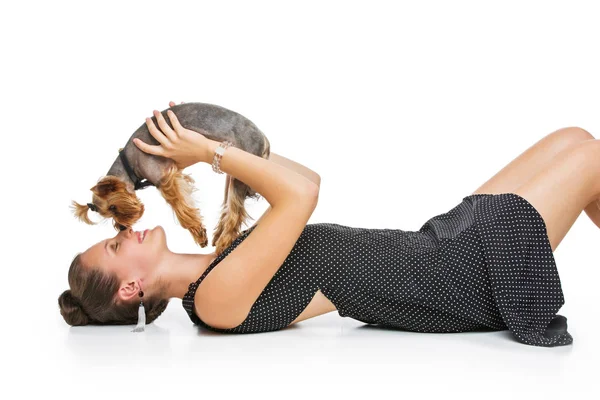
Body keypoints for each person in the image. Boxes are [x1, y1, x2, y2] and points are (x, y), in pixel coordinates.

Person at [59, 107, 597, 348]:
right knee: (591, 159)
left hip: (437, 246)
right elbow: (304, 196)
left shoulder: (226, 258)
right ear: (131, 289)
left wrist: (209, 138)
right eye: (113, 245)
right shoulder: (215, 300)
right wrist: (212, 155)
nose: (126, 232)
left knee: (575, 138)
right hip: (457, 281)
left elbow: (303, 177)